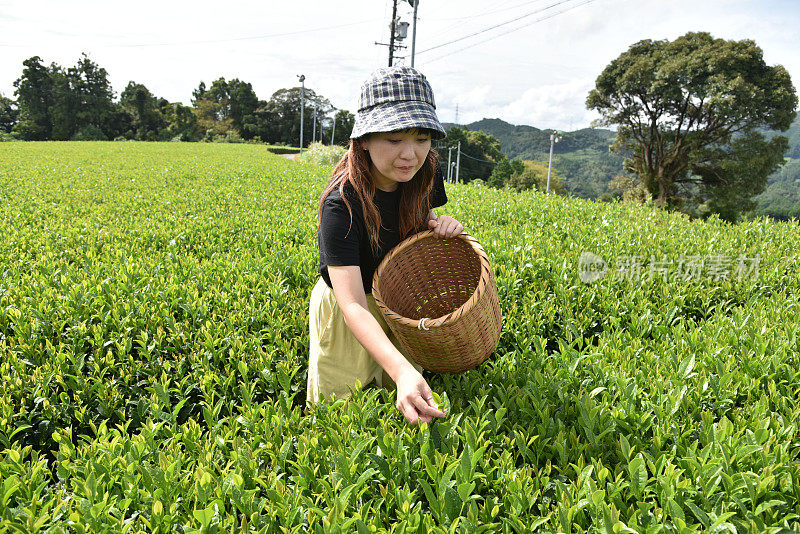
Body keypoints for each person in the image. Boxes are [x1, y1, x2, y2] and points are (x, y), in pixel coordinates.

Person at [307, 65, 464, 425]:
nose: (411, 153)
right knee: (344, 414)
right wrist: (402, 369)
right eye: (395, 140)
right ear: (363, 139)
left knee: (396, 409)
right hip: (351, 309)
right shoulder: (342, 204)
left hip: (396, 297)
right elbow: (352, 305)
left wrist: (438, 226)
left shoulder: (425, 173)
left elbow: (413, 221)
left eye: (422, 138)